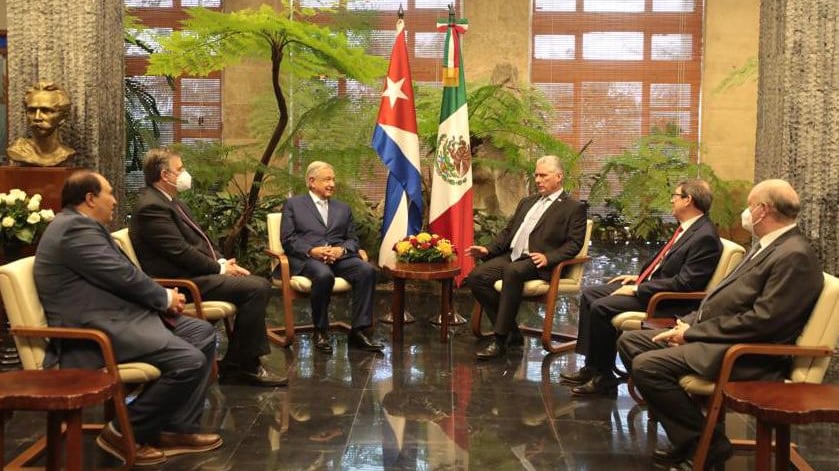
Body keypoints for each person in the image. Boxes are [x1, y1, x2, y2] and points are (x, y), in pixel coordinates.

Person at [618, 179, 823, 471]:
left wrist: (693, 334)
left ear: (763, 210)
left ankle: (707, 444)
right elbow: (725, 298)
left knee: (648, 366)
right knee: (630, 342)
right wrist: (687, 323)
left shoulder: (794, 255)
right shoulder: (769, 245)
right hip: (722, 337)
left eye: (749, 205)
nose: (746, 213)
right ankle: (693, 436)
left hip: (749, 354)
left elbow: (764, 322)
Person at [34, 171, 222, 466]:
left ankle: (175, 429)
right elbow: (121, 276)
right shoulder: (73, 229)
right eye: (110, 193)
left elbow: (123, 276)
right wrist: (164, 298)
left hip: (120, 317)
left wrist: (161, 298)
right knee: (189, 361)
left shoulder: (82, 226)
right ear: (90, 198)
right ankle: (124, 431)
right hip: (94, 332)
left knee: (202, 334)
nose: (115, 200)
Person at [130, 148, 286, 387]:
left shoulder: (172, 202)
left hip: (195, 275)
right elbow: (180, 252)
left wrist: (223, 262)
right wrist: (220, 269)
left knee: (255, 285)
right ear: (164, 175)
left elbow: (202, 241)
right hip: (179, 283)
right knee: (257, 287)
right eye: (180, 169)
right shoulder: (151, 207)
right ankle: (243, 366)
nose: (185, 173)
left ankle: (237, 363)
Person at [562, 179, 723, 396]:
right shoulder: (688, 229)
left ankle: (603, 378)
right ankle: (592, 366)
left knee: (601, 307)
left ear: (688, 200)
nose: (671, 200)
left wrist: (638, 289)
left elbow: (686, 283)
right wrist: (639, 278)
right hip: (652, 288)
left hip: (667, 301)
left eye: (675, 196)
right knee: (590, 294)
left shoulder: (705, 236)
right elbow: (665, 266)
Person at [465, 155, 587, 360]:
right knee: (477, 277)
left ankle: (500, 339)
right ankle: (512, 332)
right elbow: (509, 231)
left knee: (513, 271)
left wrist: (549, 258)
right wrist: (488, 250)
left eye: (543, 176)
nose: (538, 180)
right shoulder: (527, 202)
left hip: (539, 261)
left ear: (559, 177)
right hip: (513, 256)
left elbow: (574, 243)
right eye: (536, 175)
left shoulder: (573, 207)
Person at [280, 161, 382, 354]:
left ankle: (358, 331)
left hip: (339, 258)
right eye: (327, 179)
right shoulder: (294, 205)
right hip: (308, 259)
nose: (332, 184)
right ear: (312, 182)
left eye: (333, 180)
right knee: (323, 275)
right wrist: (312, 251)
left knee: (367, 270)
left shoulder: (343, 208)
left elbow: (353, 239)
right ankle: (320, 330)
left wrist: (341, 250)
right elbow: (288, 239)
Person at [7, 81, 76, 167]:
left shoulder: (65, 153)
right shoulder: (18, 150)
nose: (37, 117)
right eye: (31, 111)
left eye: (46, 111)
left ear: (63, 117)